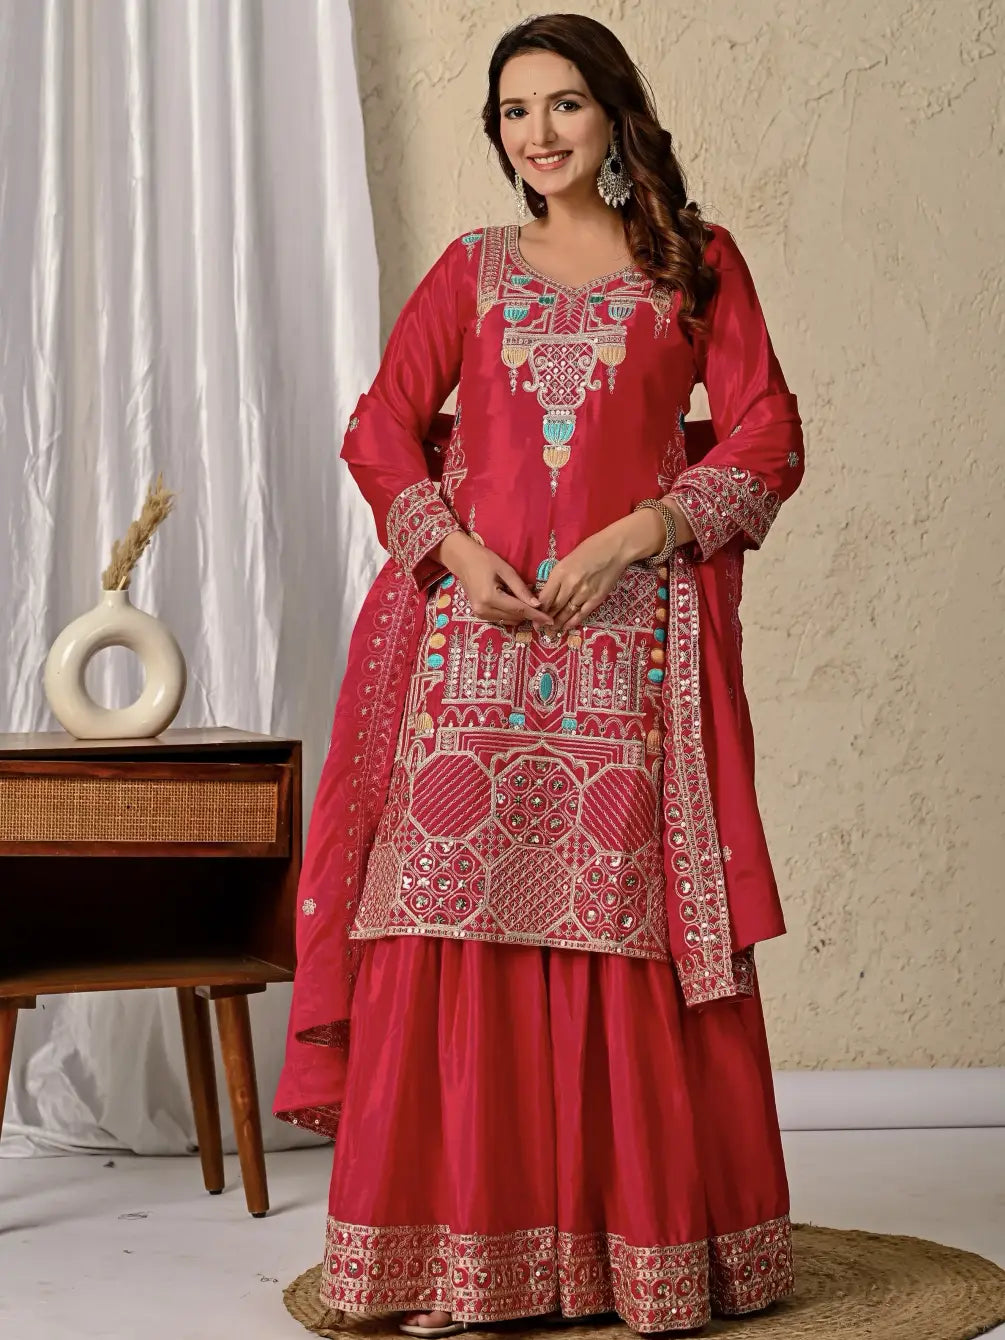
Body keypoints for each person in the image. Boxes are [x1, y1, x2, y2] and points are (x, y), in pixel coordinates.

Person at [275, 12, 804, 1335]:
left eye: (563, 103)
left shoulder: (693, 265)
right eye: (515, 111)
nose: (539, 133)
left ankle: (633, 1262)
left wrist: (644, 529)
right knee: (454, 928)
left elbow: (765, 431)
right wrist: (452, 552)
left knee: (616, 931)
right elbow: (379, 427)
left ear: (613, 114)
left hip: (629, 658)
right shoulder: (469, 271)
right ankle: (465, 1262)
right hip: (472, 657)